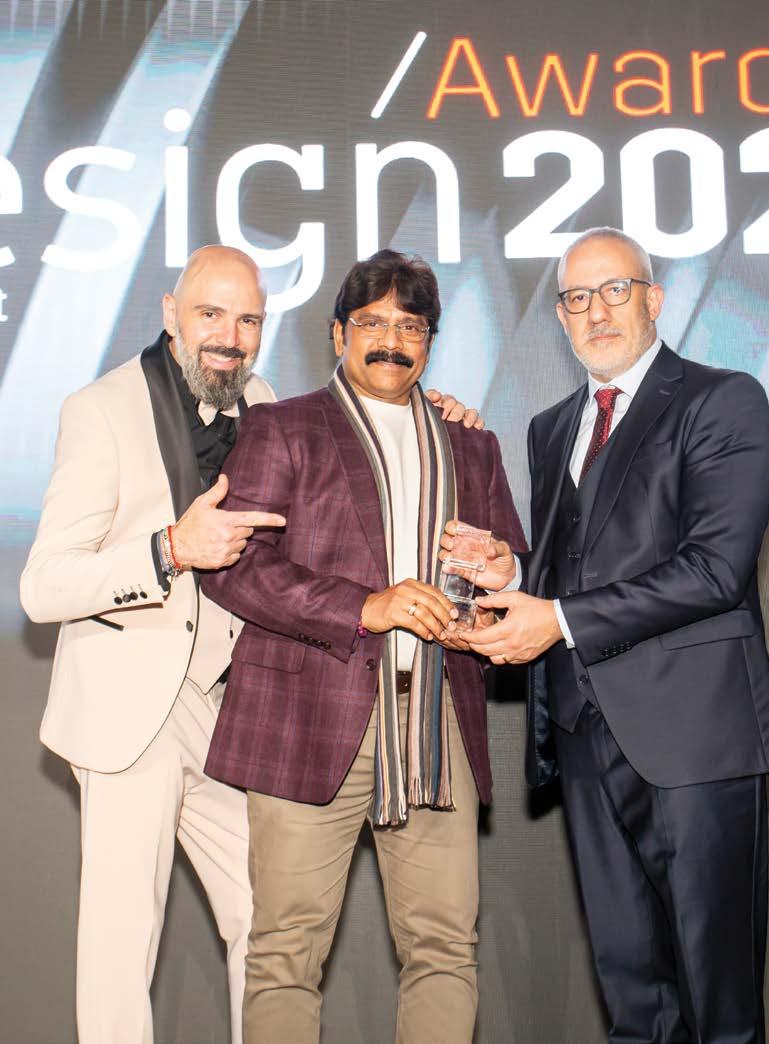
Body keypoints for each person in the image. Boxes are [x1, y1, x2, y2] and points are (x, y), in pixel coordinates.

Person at [19, 244, 479, 1044]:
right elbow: (43, 586)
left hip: (232, 708)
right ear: (171, 314)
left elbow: (359, 423)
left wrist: (428, 411)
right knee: (124, 940)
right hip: (131, 709)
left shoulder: (263, 401)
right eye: (210, 314)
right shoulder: (100, 409)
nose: (229, 336)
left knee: (266, 924)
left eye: (249, 320)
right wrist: (169, 549)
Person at [460, 227, 769, 1043]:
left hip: (695, 738)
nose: (597, 311)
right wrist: (513, 571)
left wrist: (557, 619)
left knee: (719, 1002)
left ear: (655, 299)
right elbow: (573, 564)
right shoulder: (551, 427)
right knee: (633, 998)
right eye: (577, 297)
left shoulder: (723, 399)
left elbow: (715, 570)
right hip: (585, 735)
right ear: (560, 317)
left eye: (615, 290)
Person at [201, 249, 526, 1044]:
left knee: (445, 948)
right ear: (338, 332)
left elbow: (511, 570)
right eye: (373, 323)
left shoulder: (471, 444)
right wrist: (364, 607)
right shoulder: (283, 427)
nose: (391, 341)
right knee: (285, 951)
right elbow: (234, 569)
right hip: (307, 716)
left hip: (436, 724)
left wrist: (503, 575)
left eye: (410, 326)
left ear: (430, 340)